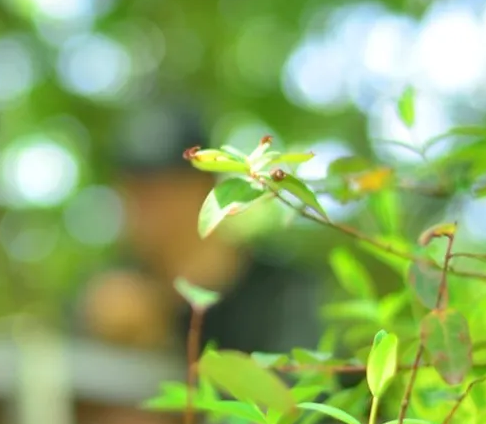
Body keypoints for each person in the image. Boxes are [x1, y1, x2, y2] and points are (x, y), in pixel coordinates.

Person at [79, 101, 320, 358]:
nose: (144, 205)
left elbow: (296, 390)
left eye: (162, 187)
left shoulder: (283, 296)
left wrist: (159, 343)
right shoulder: (109, 299)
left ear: (205, 187)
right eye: (131, 186)